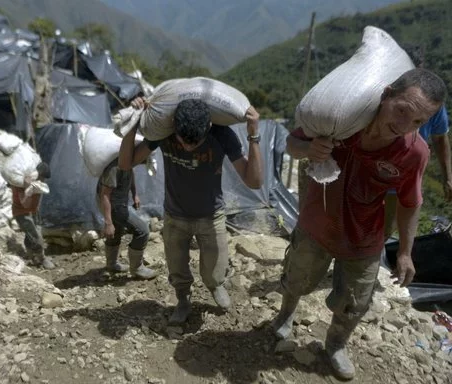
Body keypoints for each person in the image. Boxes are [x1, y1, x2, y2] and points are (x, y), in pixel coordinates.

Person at [272, 68, 446, 380]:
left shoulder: (414, 153)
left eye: (418, 122)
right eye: (402, 110)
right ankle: (285, 314)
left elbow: (410, 202)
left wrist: (405, 252)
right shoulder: (341, 121)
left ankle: (336, 343)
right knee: (296, 278)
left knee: (354, 302)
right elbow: (291, 144)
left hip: (363, 237)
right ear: (387, 94)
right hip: (316, 223)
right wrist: (309, 149)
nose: (404, 125)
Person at [120, 98, 264, 324]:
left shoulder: (222, 135)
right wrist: (132, 123)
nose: (187, 147)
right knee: (177, 269)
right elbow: (126, 163)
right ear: (175, 127)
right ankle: (184, 300)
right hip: (175, 216)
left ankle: (215, 286)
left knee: (214, 271)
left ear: (207, 128)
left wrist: (254, 134)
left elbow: (254, 181)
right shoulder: (163, 132)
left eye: (194, 142)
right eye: (183, 140)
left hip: (211, 216)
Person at [384, 105, 451, 238]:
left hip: (404, 177)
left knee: (385, 230)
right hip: (365, 169)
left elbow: (440, 138)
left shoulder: (434, 100)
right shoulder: (385, 91)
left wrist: (448, 177)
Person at [97, 154, 157, 279]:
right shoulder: (114, 167)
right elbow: (104, 195)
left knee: (117, 231)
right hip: (113, 206)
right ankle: (137, 269)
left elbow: (131, 175)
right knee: (143, 231)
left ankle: (111, 264)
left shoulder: (127, 162)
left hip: (120, 203)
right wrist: (108, 222)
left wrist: (135, 194)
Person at [11, 162, 51, 266]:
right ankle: (42, 259)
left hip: (33, 211)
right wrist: (29, 190)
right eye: (42, 178)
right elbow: (24, 203)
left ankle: (31, 255)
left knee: (34, 234)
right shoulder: (21, 184)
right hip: (22, 213)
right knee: (36, 236)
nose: (42, 181)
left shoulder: (36, 184)